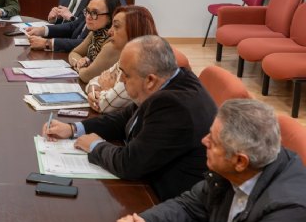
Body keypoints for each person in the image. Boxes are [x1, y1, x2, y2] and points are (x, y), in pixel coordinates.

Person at [114, 99, 306, 222]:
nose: (204, 141)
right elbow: (187, 206)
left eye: (213, 141)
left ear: (240, 161)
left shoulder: (290, 210)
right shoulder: (240, 168)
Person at [43, 35, 216, 201]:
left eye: (126, 75)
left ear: (150, 80)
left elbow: (130, 164)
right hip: (151, 181)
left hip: (165, 199)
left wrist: (95, 146)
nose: (121, 80)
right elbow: (123, 119)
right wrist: (74, 129)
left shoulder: (174, 106)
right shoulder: (170, 82)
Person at [82, 6, 158, 113]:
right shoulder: (128, 55)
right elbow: (93, 81)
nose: (109, 32)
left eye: (116, 26)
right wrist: (93, 92)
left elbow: (105, 106)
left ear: (134, 30)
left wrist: (107, 89)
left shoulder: (140, 64)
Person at [67, 0, 122, 83]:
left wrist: (82, 67)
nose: (88, 17)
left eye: (94, 13)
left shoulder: (112, 43)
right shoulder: (95, 33)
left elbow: (87, 76)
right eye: (87, 11)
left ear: (110, 17)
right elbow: (74, 53)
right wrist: (79, 62)